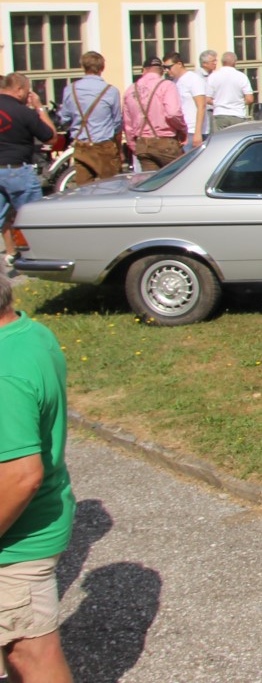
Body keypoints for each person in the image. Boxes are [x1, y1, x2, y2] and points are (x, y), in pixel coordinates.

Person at [0, 271, 76, 683]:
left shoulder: (3, 373)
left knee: (30, 653)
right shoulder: (29, 332)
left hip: (15, 542)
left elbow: (20, 476)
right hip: (35, 522)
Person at [0, 74, 55, 271]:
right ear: (20, 90)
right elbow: (50, 137)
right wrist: (39, 108)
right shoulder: (23, 112)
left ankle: (11, 253)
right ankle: (42, 259)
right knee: (33, 217)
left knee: (3, 217)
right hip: (17, 170)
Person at [56, 50, 123, 183]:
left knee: (84, 191)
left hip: (82, 146)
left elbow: (64, 118)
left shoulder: (71, 89)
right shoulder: (111, 91)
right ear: (102, 68)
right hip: (104, 146)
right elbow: (117, 123)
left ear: (83, 67)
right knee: (112, 189)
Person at [122, 55, 185, 171]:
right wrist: (182, 130)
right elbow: (173, 113)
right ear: (161, 71)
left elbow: (127, 123)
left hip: (142, 143)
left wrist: (133, 145)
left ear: (143, 70)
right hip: (164, 142)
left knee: (152, 183)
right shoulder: (167, 86)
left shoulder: (131, 90)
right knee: (179, 177)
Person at [169, 52, 209, 150]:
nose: (166, 70)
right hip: (181, 131)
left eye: (169, 67)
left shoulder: (193, 79)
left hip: (192, 131)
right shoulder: (174, 82)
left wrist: (198, 133)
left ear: (179, 64)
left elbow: (201, 106)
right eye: (164, 67)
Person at [207, 50, 256, 130]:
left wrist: (218, 103)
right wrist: (239, 103)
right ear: (234, 62)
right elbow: (250, 99)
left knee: (221, 141)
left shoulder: (213, 76)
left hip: (220, 114)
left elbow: (207, 99)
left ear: (222, 62)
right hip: (238, 115)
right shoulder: (241, 76)